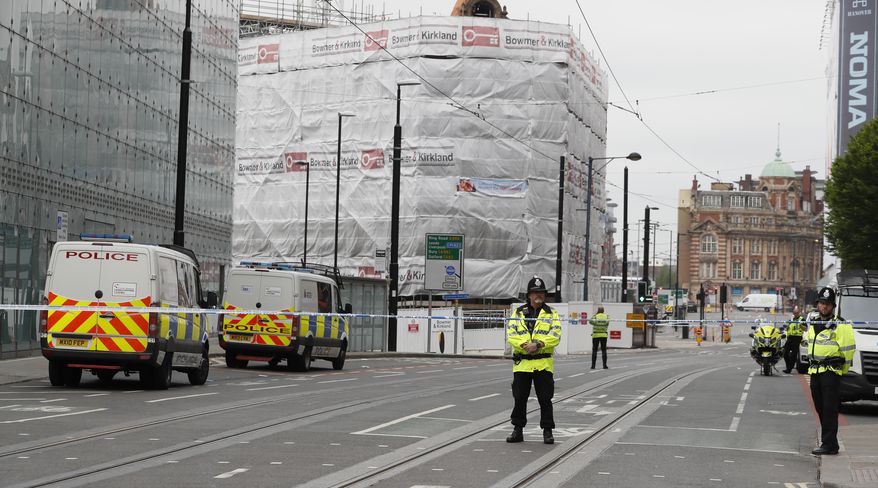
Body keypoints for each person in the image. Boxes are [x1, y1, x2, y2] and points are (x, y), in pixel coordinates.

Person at [505, 276, 562, 445]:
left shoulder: (552, 314)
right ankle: (518, 430)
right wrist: (524, 345)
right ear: (529, 295)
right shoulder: (518, 312)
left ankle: (547, 431)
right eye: (536, 292)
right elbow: (511, 334)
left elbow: (556, 335)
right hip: (522, 364)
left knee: (545, 399)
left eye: (542, 293)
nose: (539, 295)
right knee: (519, 398)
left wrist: (538, 344)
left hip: (543, 363)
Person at [803, 287, 855, 456]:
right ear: (817, 304)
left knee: (829, 409)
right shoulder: (814, 322)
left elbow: (848, 349)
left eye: (827, 304)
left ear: (832, 306)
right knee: (820, 407)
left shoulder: (840, 324)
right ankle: (828, 442)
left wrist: (841, 369)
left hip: (830, 371)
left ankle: (830, 444)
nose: (824, 307)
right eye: (821, 303)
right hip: (815, 371)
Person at [782, 306, 805, 374]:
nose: (795, 314)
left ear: (799, 313)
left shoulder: (802, 319)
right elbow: (787, 328)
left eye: (797, 313)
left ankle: (789, 369)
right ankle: (789, 366)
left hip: (797, 338)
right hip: (790, 337)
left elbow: (806, 329)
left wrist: (801, 326)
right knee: (785, 353)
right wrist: (787, 327)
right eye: (794, 313)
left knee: (794, 354)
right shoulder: (791, 319)